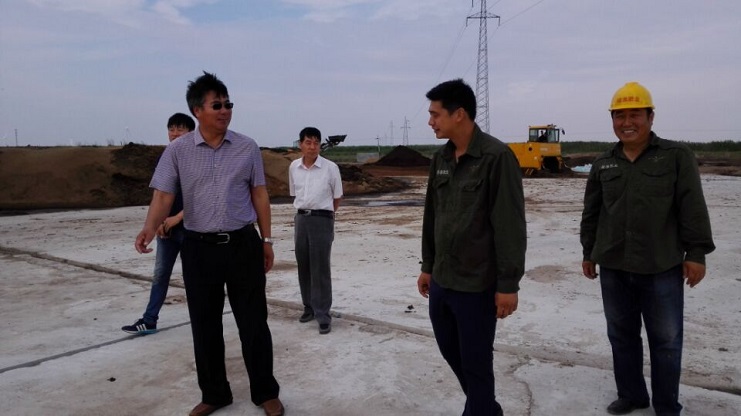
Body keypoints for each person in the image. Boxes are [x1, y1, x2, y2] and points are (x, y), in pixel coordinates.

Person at [134, 72, 284, 416]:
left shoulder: (247, 147)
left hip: (242, 244)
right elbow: (163, 195)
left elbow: (259, 194)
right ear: (197, 110)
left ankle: (265, 391)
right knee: (204, 324)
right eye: (217, 105)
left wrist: (267, 240)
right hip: (199, 249)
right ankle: (215, 394)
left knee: (253, 322)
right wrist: (149, 227)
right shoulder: (178, 152)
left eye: (228, 104)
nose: (225, 110)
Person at [580, 81, 715, 416]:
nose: (627, 122)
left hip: (661, 267)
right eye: (619, 116)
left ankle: (667, 406)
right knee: (621, 335)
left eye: (635, 115)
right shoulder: (603, 163)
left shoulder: (676, 156)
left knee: (666, 340)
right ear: (613, 120)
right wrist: (588, 252)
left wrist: (696, 254)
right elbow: (592, 212)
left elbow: (692, 207)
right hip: (613, 266)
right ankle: (632, 395)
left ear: (650, 117)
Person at [417, 79, 527, 416]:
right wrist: (427, 266)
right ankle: (486, 408)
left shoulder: (496, 157)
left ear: (459, 114)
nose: (430, 121)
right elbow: (432, 215)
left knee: (476, 361)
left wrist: (508, 284)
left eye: (435, 114)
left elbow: (510, 226)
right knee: (451, 351)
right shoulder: (441, 158)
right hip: (443, 280)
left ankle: (479, 410)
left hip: (477, 284)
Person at [122, 112, 194, 335]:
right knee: (160, 275)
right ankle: (149, 320)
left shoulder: (197, 159)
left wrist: (177, 218)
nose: (175, 133)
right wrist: (156, 225)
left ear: (191, 132)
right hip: (167, 231)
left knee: (195, 279)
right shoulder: (167, 158)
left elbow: (202, 196)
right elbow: (160, 195)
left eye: (180, 129)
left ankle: (203, 320)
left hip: (192, 230)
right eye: (171, 129)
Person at [288, 127, 343, 334]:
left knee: (320, 268)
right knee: (303, 264)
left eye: (316, 143)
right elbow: (295, 193)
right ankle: (308, 307)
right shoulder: (294, 167)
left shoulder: (330, 168)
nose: (312, 147)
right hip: (301, 219)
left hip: (322, 219)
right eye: (308, 142)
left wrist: (325, 215)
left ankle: (323, 314)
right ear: (300, 144)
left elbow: (337, 197)